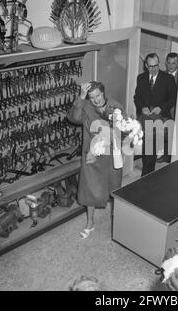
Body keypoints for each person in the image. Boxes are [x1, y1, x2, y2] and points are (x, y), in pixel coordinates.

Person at [67, 81, 123, 239]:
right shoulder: (86, 106)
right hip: (91, 156)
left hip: (111, 156)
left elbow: (119, 131)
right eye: (92, 97)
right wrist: (82, 97)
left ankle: (115, 220)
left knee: (114, 189)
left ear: (104, 93)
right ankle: (90, 223)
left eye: (98, 95)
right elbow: (73, 118)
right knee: (89, 189)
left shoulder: (115, 106)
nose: (96, 100)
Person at [133, 53, 177, 176]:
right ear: (146, 65)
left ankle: (146, 174)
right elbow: (137, 97)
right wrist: (142, 108)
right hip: (146, 118)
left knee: (150, 148)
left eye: (156, 66)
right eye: (151, 66)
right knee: (148, 149)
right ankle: (148, 174)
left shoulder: (168, 79)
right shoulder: (141, 78)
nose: (154, 69)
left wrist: (161, 108)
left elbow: (173, 98)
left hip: (161, 119)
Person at [157, 52, 178, 164]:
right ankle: (164, 154)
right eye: (169, 63)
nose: (171, 66)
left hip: (176, 110)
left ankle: (169, 156)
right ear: (166, 63)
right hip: (164, 110)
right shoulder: (162, 75)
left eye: (174, 63)